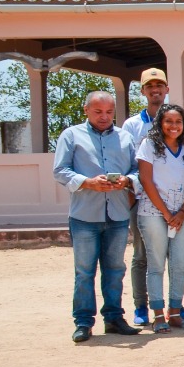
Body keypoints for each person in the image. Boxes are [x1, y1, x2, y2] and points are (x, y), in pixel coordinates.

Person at [53, 91, 141, 343]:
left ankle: (113, 318)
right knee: (84, 271)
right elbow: (60, 170)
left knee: (115, 269)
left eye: (109, 112)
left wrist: (128, 180)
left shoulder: (125, 138)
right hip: (84, 216)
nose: (104, 117)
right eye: (98, 112)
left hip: (117, 214)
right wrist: (87, 182)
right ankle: (83, 322)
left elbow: (137, 170)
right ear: (86, 110)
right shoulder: (71, 136)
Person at [135, 103, 184, 332]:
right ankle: (158, 315)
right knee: (156, 265)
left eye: (178, 122)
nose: (174, 126)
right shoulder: (150, 145)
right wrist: (166, 212)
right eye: (169, 121)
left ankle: (175, 312)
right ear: (160, 123)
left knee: (180, 265)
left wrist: (182, 211)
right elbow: (146, 180)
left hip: (180, 214)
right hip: (154, 212)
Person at [121, 67, 172, 326]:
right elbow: (129, 163)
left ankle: (174, 306)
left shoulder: (174, 119)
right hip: (142, 200)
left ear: (167, 89)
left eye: (159, 85)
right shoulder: (132, 125)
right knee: (142, 254)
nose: (155, 90)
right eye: (150, 86)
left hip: (172, 201)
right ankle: (141, 306)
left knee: (172, 255)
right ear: (143, 91)